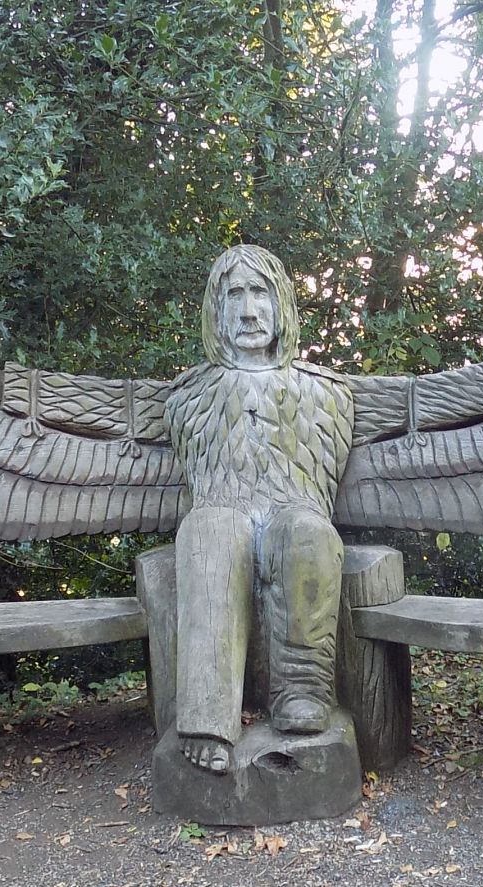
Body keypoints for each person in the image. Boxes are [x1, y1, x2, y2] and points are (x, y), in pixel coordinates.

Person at [161, 245, 355, 772]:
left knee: (308, 536)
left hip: (298, 511)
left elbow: (426, 403)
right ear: (215, 311)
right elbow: (84, 411)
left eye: (261, 292)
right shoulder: (187, 397)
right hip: (222, 512)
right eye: (235, 295)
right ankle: (206, 715)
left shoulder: (327, 391)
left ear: (283, 304)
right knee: (209, 533)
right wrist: (4, 390)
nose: (249, 311)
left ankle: (302, 688)